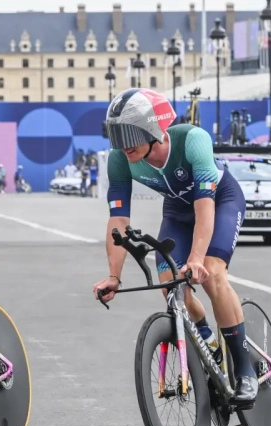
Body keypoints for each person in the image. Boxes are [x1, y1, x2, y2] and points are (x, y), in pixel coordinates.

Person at [92, 88, 257, 406]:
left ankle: (245, 368)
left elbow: (205, 205)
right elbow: (118, 221)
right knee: (171, 287)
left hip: (219, 201)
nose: (122, 145)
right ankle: (208, 341)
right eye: (116, 136)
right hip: (178, 213)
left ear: (152, 130)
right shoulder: (121, 160)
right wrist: (114, 275)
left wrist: (196, 258)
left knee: (211, 273)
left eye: (128, 135)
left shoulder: (192, 139)